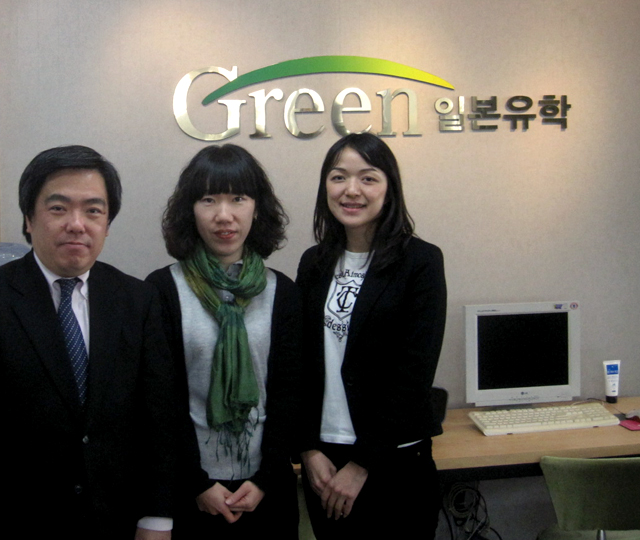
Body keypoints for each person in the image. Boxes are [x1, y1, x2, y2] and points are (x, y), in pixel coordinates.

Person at [0, 145, 176, 540]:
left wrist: (156, 519)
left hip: (116, 522)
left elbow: (158, 419)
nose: (77, 224)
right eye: (58, 208)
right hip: (18, 525)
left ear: (108, 223)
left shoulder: (138, 300)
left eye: (93, 211)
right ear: (29, 219)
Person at [296, 133, 447, 539]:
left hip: (393, 460)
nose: (351, 190)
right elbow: (300, 363)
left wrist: (362, 464)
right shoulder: (314, 263)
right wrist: (308, 448)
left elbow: (414, 373)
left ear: (389, 188)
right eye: (338, 177)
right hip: (325, 461)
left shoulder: (420, 262)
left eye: (368, 178)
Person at [146, 144, 301, 540]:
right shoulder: (162, 290)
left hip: (267, 490)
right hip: (190, 490)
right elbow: (161, 400)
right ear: (190, 210)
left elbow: (289, 394)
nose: (224, 215)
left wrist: (265, 480)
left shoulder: (282, 292)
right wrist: (198, 483)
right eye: (208, 200)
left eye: (238, 199)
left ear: (257, 208)